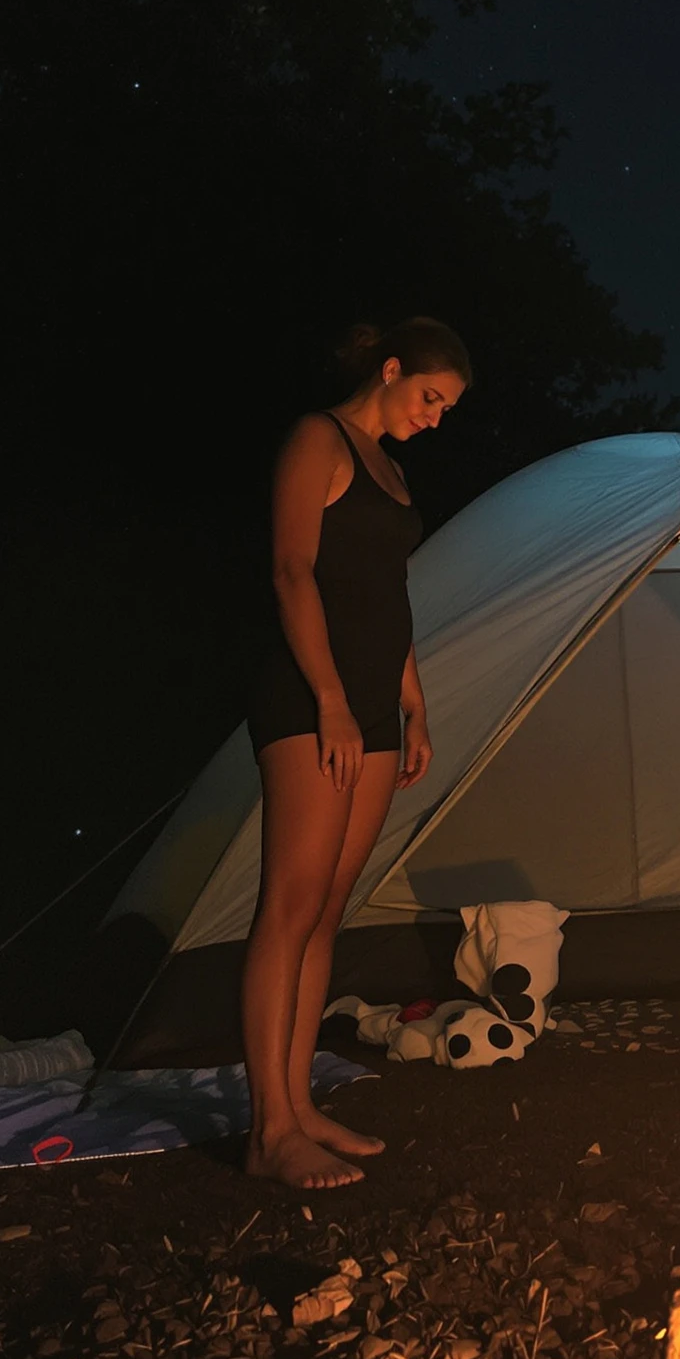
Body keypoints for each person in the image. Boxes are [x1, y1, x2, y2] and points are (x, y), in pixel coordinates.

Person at [241, 317, 471, 1189]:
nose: (434, 417)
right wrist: (333, 702)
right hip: (309, 697)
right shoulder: (318, 438)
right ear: (390, 369)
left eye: (446, 409)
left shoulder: (393, 470)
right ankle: (268, 1134)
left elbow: (387, 591)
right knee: (289, 904)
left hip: (374, 702)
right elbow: (293, 572)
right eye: (429, 397)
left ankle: (298, 1107)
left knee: (329, 907)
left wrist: (411, 703)